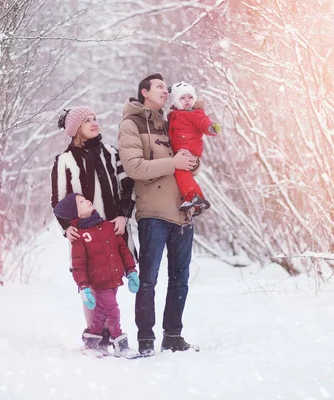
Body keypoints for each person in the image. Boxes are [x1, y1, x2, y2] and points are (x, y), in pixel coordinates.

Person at [118, 73, 200, 357]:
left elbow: (184, 164)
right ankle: (146, 339)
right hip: (153, 212)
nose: (167, 91)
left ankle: (173, 336)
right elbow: (135, 168)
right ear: (144, 92)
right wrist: (173, 162)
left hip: (182, 213)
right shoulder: (131, 124)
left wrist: (191, 161)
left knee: (180, 279)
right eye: (160, 87)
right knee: (149, 278)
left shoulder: (169, 123)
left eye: (167, 88)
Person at [51, 106, 136, 354]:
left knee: (111, 281)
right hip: (84, 234)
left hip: (112, 231)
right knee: (89, 283)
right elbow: (58, 201)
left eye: (95, 118)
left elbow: (127, 187)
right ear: (76, 128)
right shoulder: (64, 161)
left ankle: (111, 332)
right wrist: (67, 228)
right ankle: (96, 336)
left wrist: (123, 215)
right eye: (87, 120)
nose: (94, 123)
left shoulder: (111, 153)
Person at [53, 192, 140, 358]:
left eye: (84, 198)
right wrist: (84, 287)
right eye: (80, 202)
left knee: (100, 313)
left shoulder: (107, 226)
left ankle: (92, 343)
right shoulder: (79, 236)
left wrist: (131, 271)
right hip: (99, 282)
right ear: (75, 213)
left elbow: (123, 250)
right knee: (113, 311)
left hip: (114, 279)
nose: (86, 201)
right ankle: (120, 344)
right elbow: (78, 264)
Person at [167, 81, 221, 216]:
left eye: (190, 97)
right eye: (182, 98)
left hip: (188, 149)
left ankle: (193, 196)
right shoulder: (173, 115)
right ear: (176, 101)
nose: (187, 101)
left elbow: (203, 122)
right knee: (181, 173)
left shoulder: (194, 113)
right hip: (180, 150)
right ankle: (200, 200)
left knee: (181, 172)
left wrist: (211, 127)